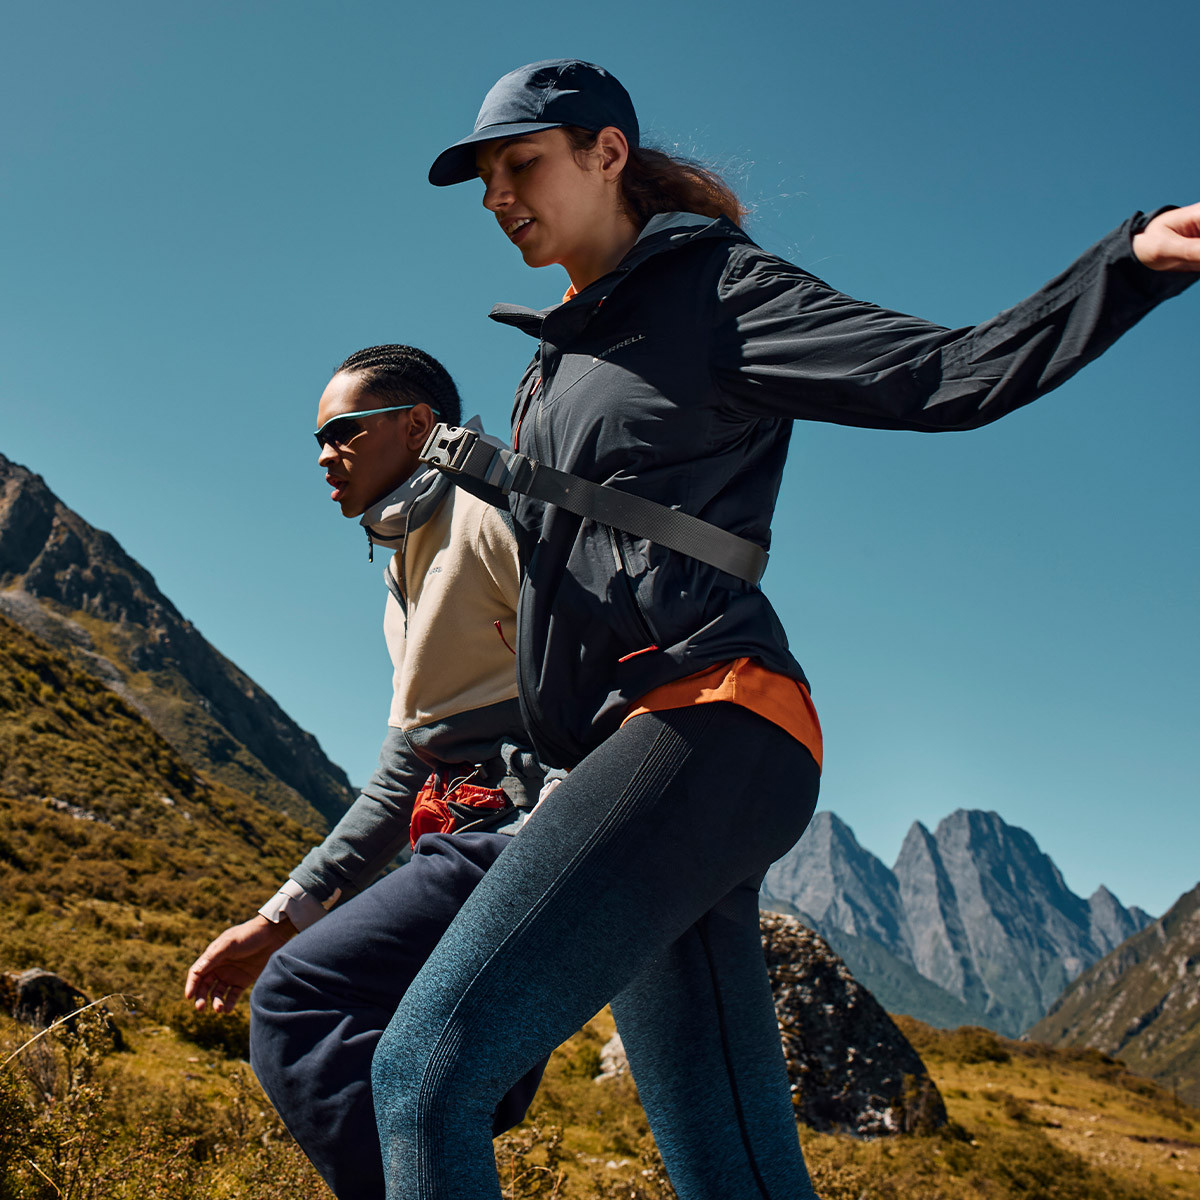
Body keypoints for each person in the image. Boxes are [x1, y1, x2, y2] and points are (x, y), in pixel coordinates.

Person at [351, 60, 1200, 1200]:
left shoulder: (720, 291)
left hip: (712, 720)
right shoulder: (557, 353)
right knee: (730, 1167)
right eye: (484, 180)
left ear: (607, 152)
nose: (499, 196)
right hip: (634, 749)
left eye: (522, 165)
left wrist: (1128, 266)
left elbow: (941, 375)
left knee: (423, 1070)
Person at [184, 344, 549, 1200]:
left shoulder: (489, 505)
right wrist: (271, 921)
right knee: (446, 1083)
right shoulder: (402, 568)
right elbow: (399, 778)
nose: (323, 456)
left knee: (296, 1001)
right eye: (317, 440)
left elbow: (603, 653)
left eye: (342, 431)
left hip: (531, 828)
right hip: (471, 834)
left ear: (418, 425)